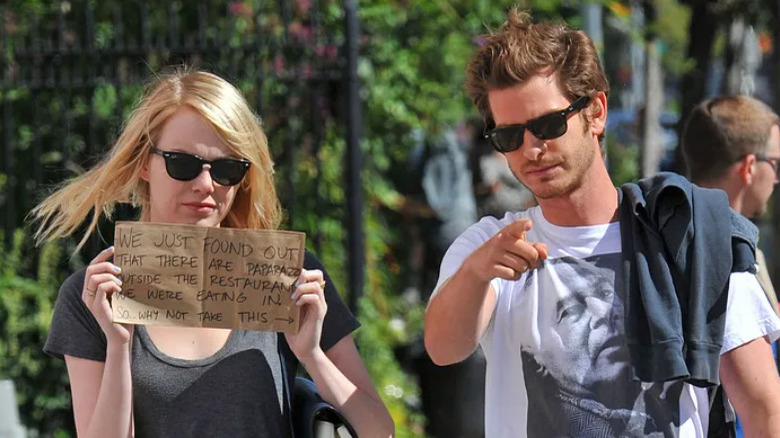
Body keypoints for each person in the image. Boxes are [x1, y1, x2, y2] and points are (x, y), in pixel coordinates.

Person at [424, 8, 780, 437]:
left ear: (596, 112)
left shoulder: (688, 235)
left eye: (548, 125)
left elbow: (764, 410)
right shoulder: (488, 247)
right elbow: (443, 349)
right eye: (509, 136)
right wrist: (478, 273)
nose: (530, 150)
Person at [31, 69, 394, 437]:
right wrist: (119, 346)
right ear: (144, 162)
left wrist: (312, 355)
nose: (205, 185)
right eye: (182, 164)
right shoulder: (94, 295)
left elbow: (380, 431)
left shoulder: (289, 277)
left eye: (227, 169)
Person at [681, 95, 780, 316]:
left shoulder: (670, 241)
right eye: (775, 164)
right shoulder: (733, 261)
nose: (775, 178)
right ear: (750, 167)